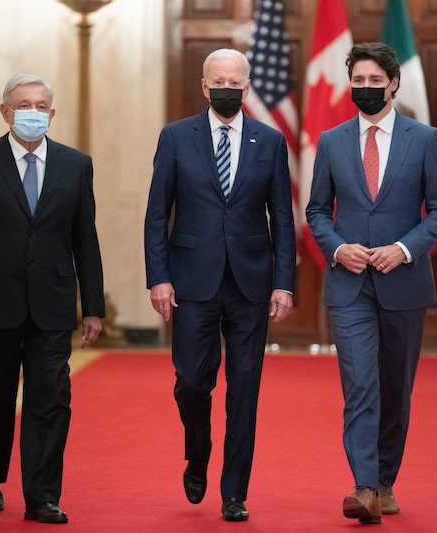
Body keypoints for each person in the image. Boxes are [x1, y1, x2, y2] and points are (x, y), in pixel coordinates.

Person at [0, 73, 105, 525]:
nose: (32, 113)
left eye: (40, 106)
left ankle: (42, 496)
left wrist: (92, 306)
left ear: (51, 114)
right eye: (23, 105)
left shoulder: (76, 165)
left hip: (52, 302)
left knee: (50, 399)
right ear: (5, 112)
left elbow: (85, 238)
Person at [305, 42, 437, 524]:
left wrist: (404, 248)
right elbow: (315, 211)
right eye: (358, 80)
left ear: (392, 84)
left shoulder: (425, 138)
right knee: (360, 385)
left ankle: (386, 479)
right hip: (349, 285)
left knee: (395, 388)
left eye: (375, 81)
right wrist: (337, 247)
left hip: (405, 282)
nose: (366, 88)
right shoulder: (331, 141)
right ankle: (364, 487)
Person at [144, 48, 296, 522]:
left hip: (251, 283)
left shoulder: (269, 142)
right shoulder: (175, 138)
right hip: (191, 281)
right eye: (219, 81)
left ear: (247, 87)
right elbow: (155, 214)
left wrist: (284, 284)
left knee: (244, 389)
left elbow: (283, 220)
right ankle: (198, 449)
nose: (228, 88)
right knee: (191, 382)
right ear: (205, 86)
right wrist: (159, 277)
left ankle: (235, 493)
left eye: (236, 81)